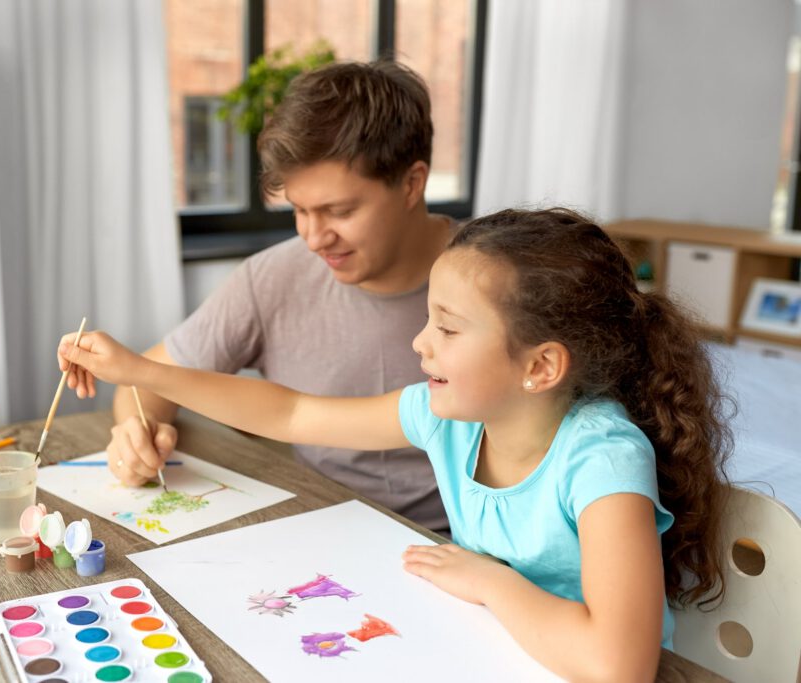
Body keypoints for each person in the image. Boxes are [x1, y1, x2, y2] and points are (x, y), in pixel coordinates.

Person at [58, 207, 731, 680]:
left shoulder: (603, 459)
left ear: (540, 367)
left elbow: (620, 664)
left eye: (446, 327)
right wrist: (140, 372)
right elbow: (292, 411)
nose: (420, 342)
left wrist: (492, 583)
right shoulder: (452, 418)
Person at [102, 60, 456, 533]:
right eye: (299, 210)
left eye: (339, 211)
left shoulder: (495, 281)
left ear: (412, 183)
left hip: (462, 544)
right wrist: (136, 433)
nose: (314, 238)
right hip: (320, 529)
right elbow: (144, 384)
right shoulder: (274, 277)